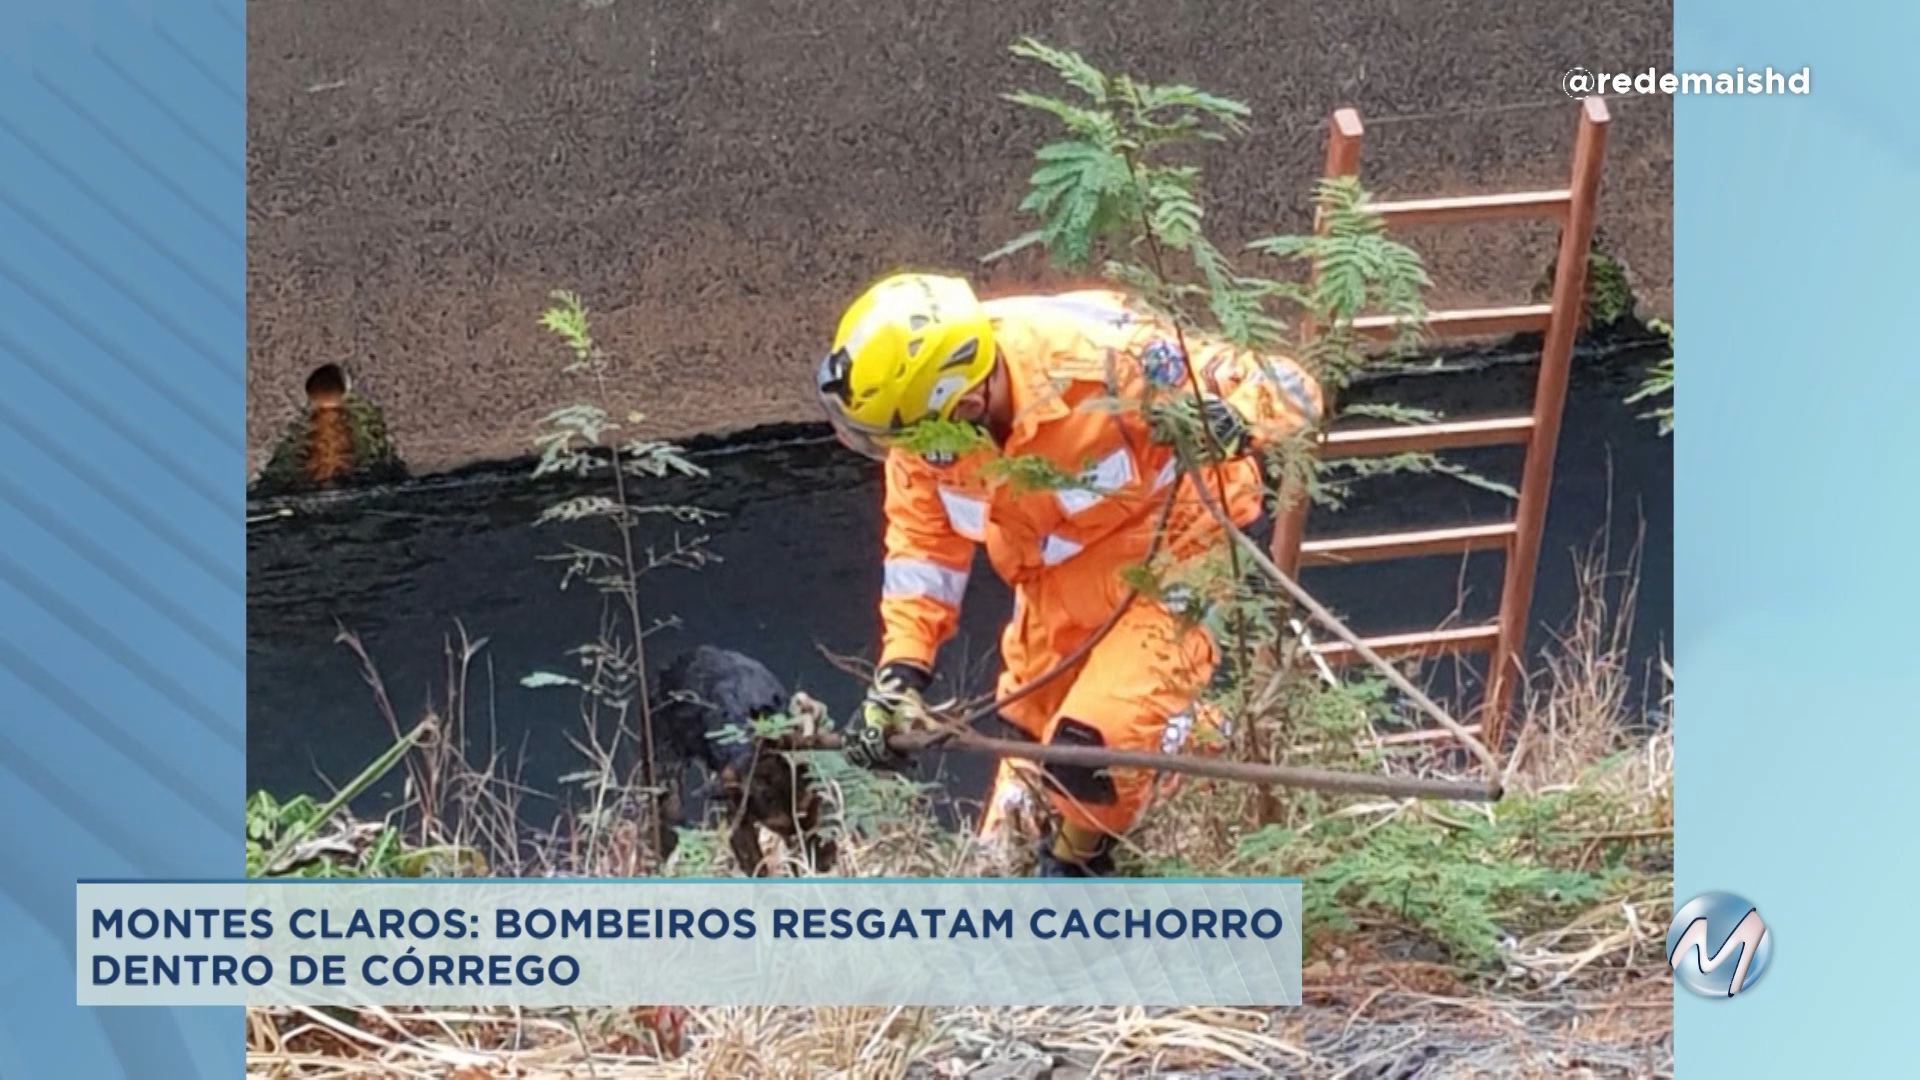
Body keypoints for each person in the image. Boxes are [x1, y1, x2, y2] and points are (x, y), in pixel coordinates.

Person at [813, 272, 1324, 877]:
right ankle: (1197, 750)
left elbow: (1291, 385)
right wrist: (902, 671)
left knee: (1089, 750)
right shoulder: (926, 434)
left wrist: (1231, 420)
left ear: (967, 404)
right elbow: (922, 550)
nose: (902, 452)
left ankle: (1077, 869)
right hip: (1062, 573)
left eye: (903, 437)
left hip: (1182, 551)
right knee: (1026, 742)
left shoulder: (1111, 358)